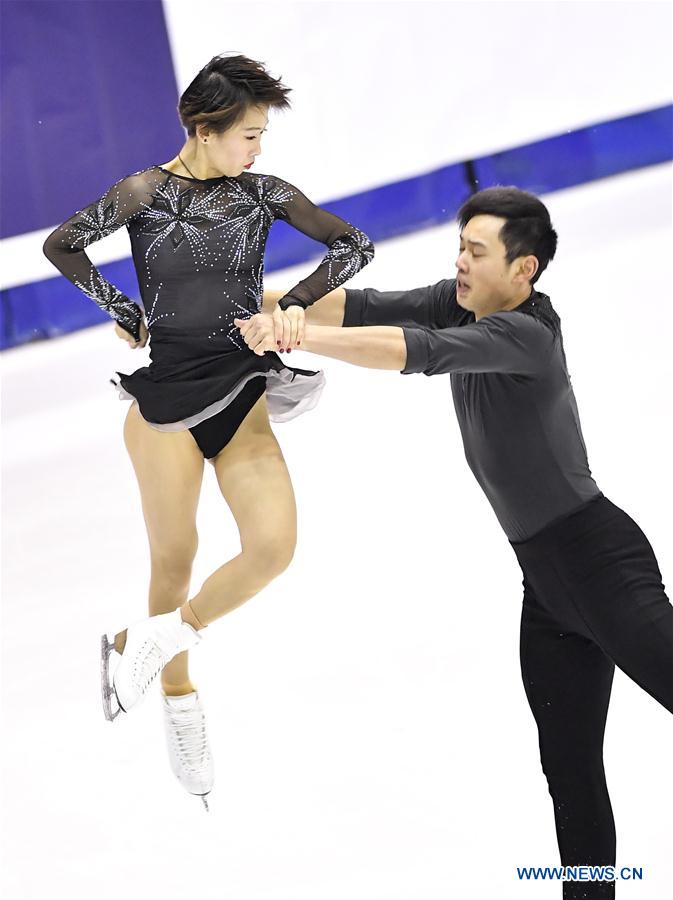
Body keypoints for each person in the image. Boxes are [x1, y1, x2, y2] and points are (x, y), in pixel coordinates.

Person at [238, 186, 673, 898]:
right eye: (459, 248)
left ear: (522, 268)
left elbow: (414, 351)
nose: (461, 263)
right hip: (550, 592)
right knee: (568, 774)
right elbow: (359, 306)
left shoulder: (524, 334)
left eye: (476, 251)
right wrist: (238, 307)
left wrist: (298, 338)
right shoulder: (461, 301)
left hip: (603, 567)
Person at [42, 53, 374, 811]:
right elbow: (62, 244)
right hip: (163, 405)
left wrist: (292, 303)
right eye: (248, 135)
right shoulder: (143, 192)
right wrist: (123, 311)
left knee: (273, 547)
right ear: (203, 127)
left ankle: (146, 645)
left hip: (240, 390)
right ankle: (180, 700)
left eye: (261, 135)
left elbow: (352, 245)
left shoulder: (263, 194)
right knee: (175, 558)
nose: (258, 149)